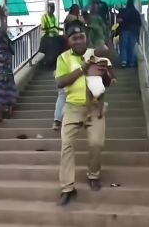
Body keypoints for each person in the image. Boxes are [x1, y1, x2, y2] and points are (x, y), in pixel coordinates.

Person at [56, 20, 109, 206]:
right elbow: (60, 82)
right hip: (71, 107)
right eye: (74, 38)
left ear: (86, 37)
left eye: (81, 37)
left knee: (96, 143)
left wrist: (105, 74)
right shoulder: (62, 58)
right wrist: (82, 69)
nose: (78, 41)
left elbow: (108, 72)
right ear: (68, 40)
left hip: (95, 106)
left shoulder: (95, 54)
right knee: (66, 145)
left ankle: (93, 174)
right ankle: (67, 188)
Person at [82, 48, 116, 121]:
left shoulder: (91, 59)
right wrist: (113, 78)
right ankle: (100, 112)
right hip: (99, 80)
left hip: (90, 79)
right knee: (101, 98)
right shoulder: (106, 60)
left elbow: (84, 69)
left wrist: (86, 71)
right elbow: (110, 69)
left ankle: (88, 113)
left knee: (88, 98)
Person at [117, 0, 141, 67]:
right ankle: (131, 62)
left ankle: (124, 61)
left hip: (124, 30)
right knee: (131, 47)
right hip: (134, 31)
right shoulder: (136, 12)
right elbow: (139, 24)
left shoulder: (123, 11)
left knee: (124, 46)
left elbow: (118, 20)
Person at [40, 3, 64, 68]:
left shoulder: (54, 16)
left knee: (62, 41)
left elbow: (55, 27)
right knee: (53, 45)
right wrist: (52, 28)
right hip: (47, 36)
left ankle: (57, 62)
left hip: (54, 36)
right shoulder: (44, 16)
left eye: (53, 8)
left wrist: (62, 29)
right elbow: (43, 28)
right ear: (48, 8)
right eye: (51, 7)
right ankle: (49, 63)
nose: (52, 9)